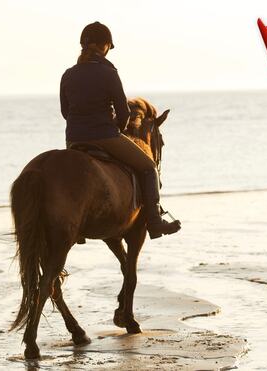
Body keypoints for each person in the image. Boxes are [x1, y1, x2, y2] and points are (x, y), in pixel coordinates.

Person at [59, 21, 181, 239]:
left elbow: (65, 112)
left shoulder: (68, 74)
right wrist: (115, 128)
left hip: (74, 140)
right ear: (105, 45)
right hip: (104, 136)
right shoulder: (108, 72)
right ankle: (154, 222)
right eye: (108, 46)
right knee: (148, 166)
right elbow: (124, 113)